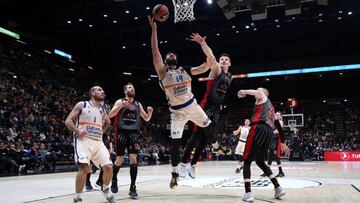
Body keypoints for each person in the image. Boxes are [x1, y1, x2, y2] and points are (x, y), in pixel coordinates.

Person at [149, 17, 212, 189]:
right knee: (175, 144)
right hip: (176, 113)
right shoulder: (163, 73)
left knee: (209, 129)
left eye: (172, 54)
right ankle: (175, 173)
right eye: (167, 55)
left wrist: (206, 52)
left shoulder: (185, 70)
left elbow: (204, 68)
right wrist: (154, 30)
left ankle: (211, 148)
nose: (169, 55)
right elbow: (155, 51)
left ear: (175, 58)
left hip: (193, 106)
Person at [179, 33, 233, 179]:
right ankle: (183, 164)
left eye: (226, 59)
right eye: (222, 59)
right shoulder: (216, 70)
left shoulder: (230, 77)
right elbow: (211, 56)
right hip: (205, 107)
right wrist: (202, 43)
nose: (223, 60)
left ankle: (193, 165)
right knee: (195, 137)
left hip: (215, 109)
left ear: (229, 63)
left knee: (203, 140)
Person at [237, 88, 290, 202]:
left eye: (258, 90)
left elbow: (259, 93)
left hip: (258, 128)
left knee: (246, 160)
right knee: (260, 161)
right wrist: (283, 142)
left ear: (264, 94)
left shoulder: (263, 97)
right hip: (269, 133)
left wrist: (243, 91)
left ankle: (248, 193)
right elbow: (279, 128)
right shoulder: (271, 109)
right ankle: (278, 187)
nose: (257, 91)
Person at [65, 86, 116, 203]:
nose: (103, 92)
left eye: (103, 90)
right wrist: (77, 130)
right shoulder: (82, 105)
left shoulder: (103, 109)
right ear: (92, 93)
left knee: (108, 167)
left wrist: (106, 124)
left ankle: (105, 189)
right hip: (83, 140)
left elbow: (108, 123)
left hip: (98, 141)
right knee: (84, 168)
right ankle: (77, 197)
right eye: (99, 90)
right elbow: (68, 120)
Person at [109, 83, 153, 199]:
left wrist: (150, 113)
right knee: (119, 159)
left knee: (134, 160)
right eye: (129, 87)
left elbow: (146, 118)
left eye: (133, 87)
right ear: (125, 91)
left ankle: (133, 187)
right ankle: (114, 180)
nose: (132, 89)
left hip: (134, 133)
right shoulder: (120, 101)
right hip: (121, 133)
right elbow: (110, 114)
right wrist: (120, 106)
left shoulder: (138, 104)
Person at [85, 102, 114, 191]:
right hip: (91, 139)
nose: (107, 111)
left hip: (102, 140)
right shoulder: (93, 116)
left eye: (108, 110)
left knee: (107, 163)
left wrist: (110, 147)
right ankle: (87, 183)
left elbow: (109, 136)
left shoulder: (107, 120)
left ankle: (100, 182)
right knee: (89, 163)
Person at [261, 111, 285, 177]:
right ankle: (267, 172)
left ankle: (281, 172)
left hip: (277, 141)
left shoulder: (280, 122)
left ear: (280, 116)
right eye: (276, 114)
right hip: (272, 140)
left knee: (277, 157)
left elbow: (278, 131)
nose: (276, 115)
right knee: (270, 157)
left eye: (278, 115)